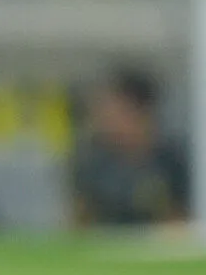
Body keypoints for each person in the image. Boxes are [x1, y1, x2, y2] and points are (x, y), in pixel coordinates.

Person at [70, 67, 190, 229]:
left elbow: (182, 223)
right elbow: (79, 224)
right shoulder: (92, 162)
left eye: (114, 112)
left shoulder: (173, 161)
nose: (104, 122)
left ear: (141, 112)